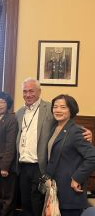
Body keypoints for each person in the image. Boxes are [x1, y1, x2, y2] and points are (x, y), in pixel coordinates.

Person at [16, 78, 93, 216]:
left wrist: (87, 133)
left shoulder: (52, 112)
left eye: (31, 91)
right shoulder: (20, 113)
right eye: (25, 91)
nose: (28, 94)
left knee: (38, 207)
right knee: (27, 205)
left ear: (39, 92)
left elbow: (70, 126)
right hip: (30, 169)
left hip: (48, 172)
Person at [45, 95, 95, 216]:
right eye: (55, 107)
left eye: (63, 107)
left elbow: (92, 157)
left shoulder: (76, 131)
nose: (58, 110)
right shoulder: (55, 128)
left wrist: (77, 177)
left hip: (70, 191)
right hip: (55, 189)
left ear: (71, 110)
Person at [0, 92, 18, 216]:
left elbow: (10, 145)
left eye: (2, 102)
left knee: (7, 199)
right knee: (0, 196)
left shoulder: (11, 119)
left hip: (5, 166)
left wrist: (5, 167)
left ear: (8, 105)